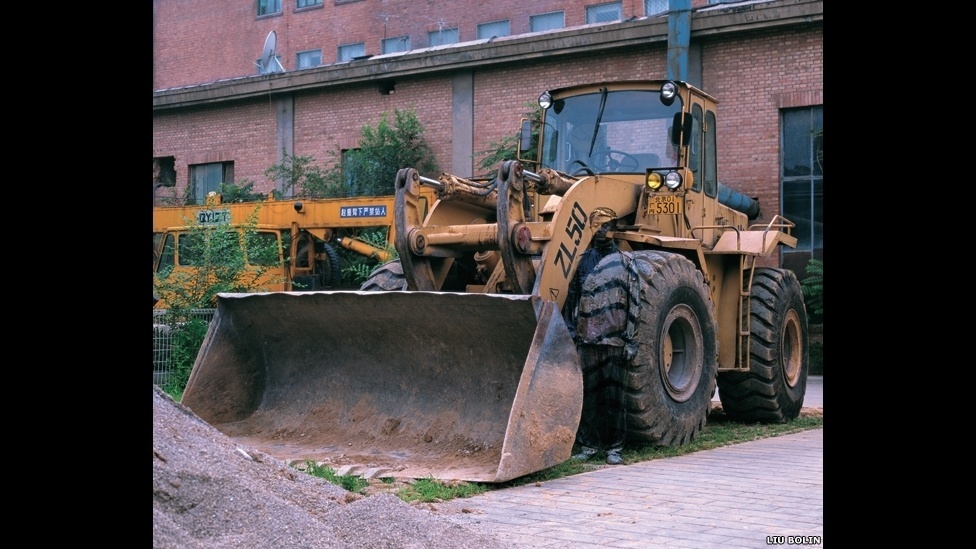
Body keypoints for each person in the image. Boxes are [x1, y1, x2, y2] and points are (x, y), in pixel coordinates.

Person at [561, 207, 635, 465]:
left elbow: (635, 302)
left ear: (613, 227)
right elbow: (572, 299)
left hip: (614, 339)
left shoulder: (625, 262)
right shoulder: (582, 261)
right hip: (588, 340)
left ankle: (614, 447)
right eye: (598, 225)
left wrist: (631, 339)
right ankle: (588, 444)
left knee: (615, 396)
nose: (602, 230)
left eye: (606, 225)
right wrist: (573, 334)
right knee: (589, 396)